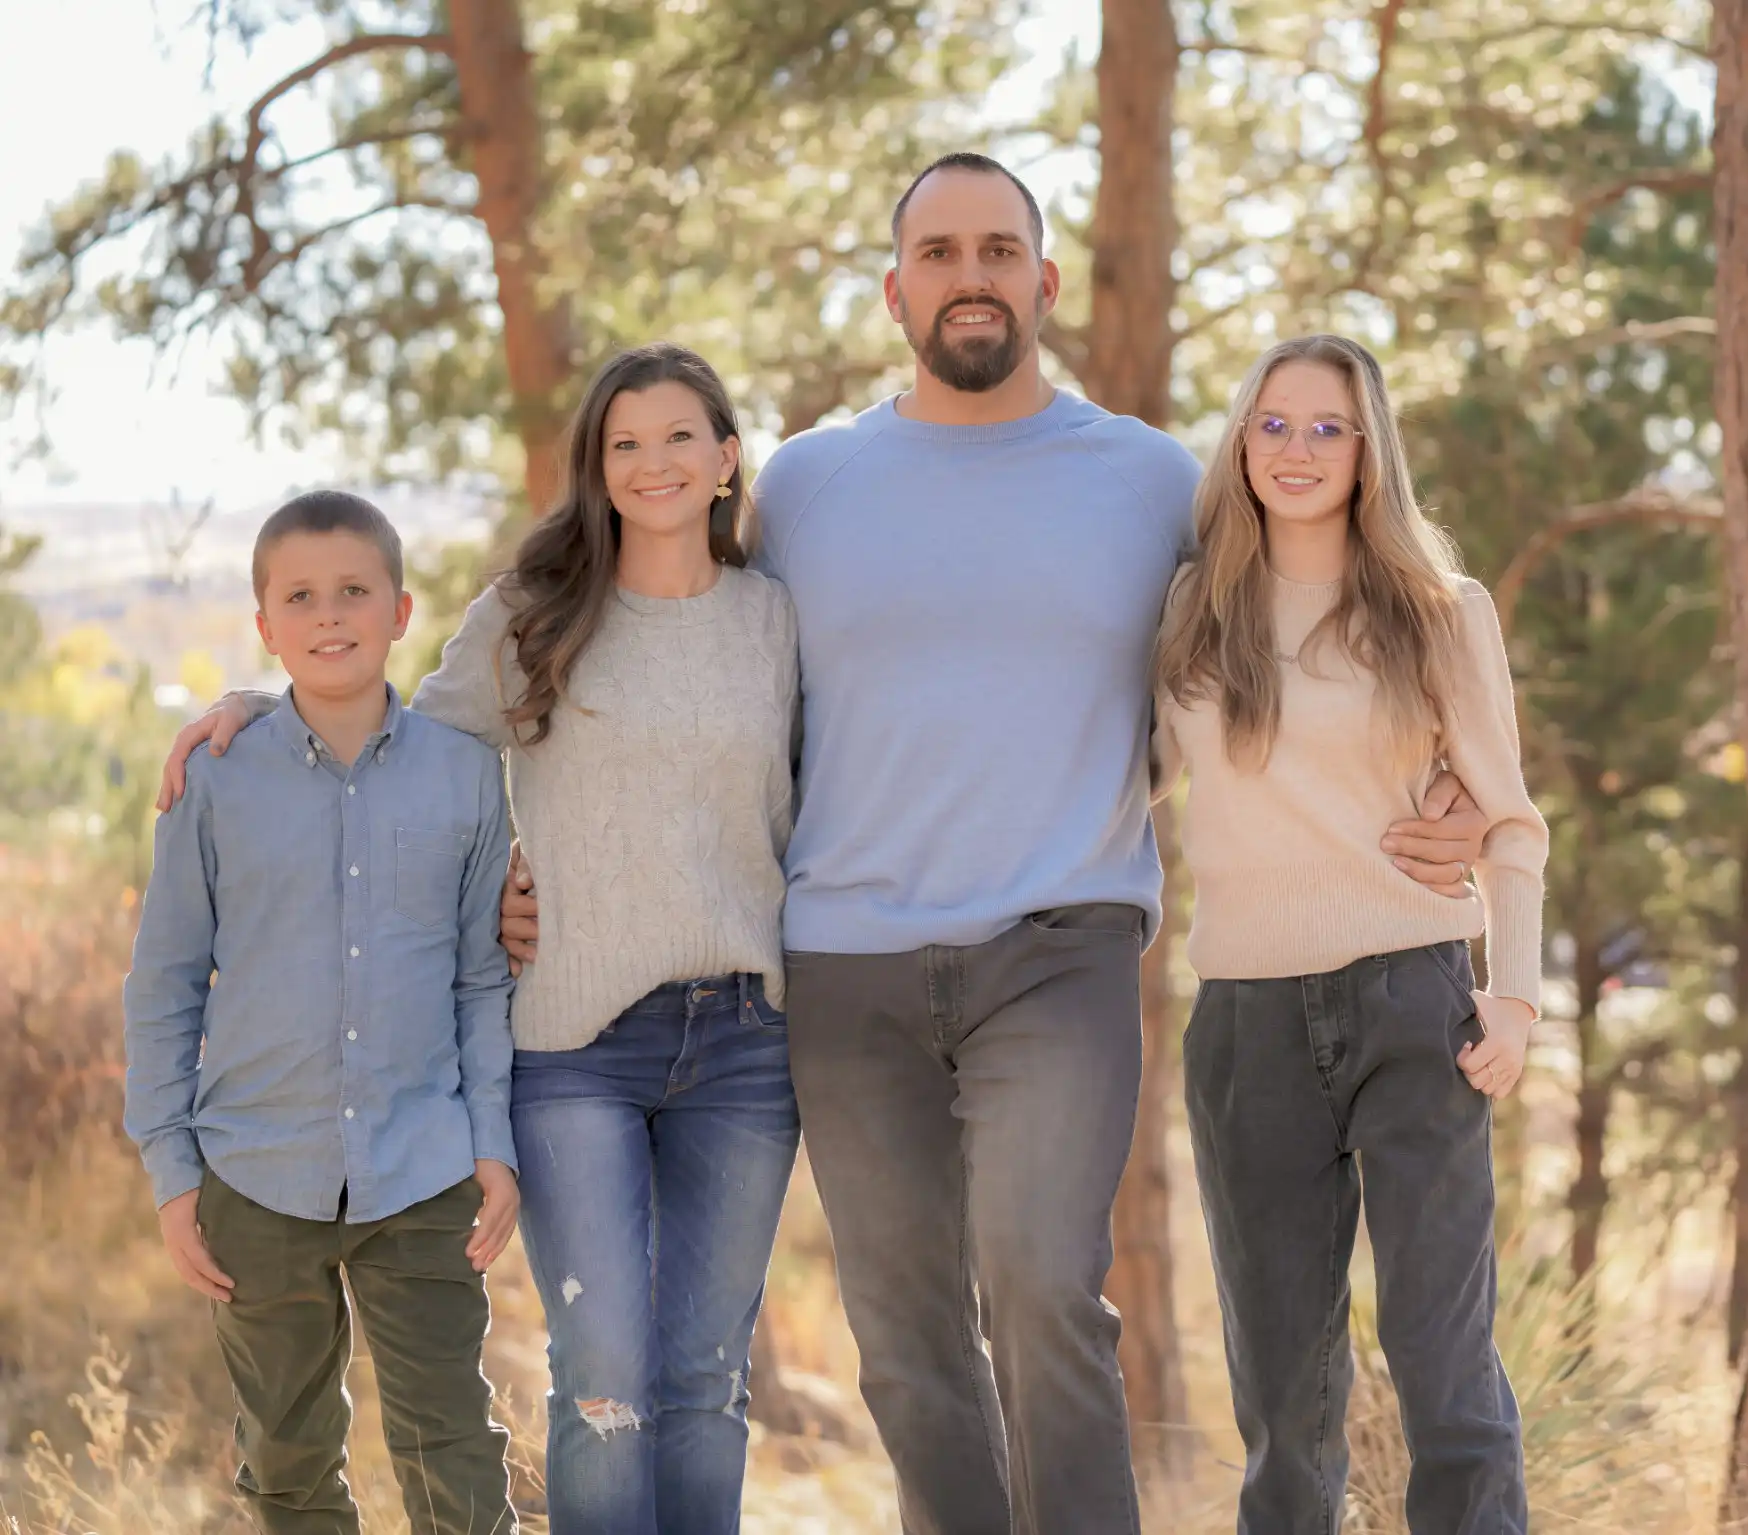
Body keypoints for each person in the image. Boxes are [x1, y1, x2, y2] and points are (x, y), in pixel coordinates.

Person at [489, 153, 1495, 1533]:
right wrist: (338, 741)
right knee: (904, 1334)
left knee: (1038, 1283)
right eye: (943, 253)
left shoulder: (1148, 478)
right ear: (897, 289)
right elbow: (656, 654)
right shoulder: (806, 487)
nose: (974, 274)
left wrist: (1455, 785)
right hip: (845, 959)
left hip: (1059, 944)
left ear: (1045, 279)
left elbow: (1313, 599)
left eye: (999, 249)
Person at [157, 344, 802, 1535]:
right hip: (575, 1035)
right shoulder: (531, 612)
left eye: (679, 437)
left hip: (746, 1043)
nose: (652, 462)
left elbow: (809, 810)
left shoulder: (773, 619)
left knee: (704, 1378)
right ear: (594, 469)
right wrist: (252, 706)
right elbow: (384, 725)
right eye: (624, 442)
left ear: (724, 458)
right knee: (602, 1373)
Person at [1153, 334, 1547, 1533]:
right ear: (1238, 441)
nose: (1297, 449)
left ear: (1368, 448)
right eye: (1271, 423)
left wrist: (1515, 996)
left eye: (1327, 426)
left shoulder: (1438, 610)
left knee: (1443, 1371)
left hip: (1411, 1003)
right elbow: (1125, 785)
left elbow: (1511, 822)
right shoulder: (1188, 611)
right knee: (1282, 1396)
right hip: (1245, 1022)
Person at [125, 491, 521, 1535]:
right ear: (265, 625)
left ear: (399, 608)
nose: (329, 613)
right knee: (289, 1461)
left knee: (454, 1452)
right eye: (300, 595)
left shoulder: (468, 775)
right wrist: (173, 1172)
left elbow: (482, 978)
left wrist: (493, 1142)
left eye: (354, 590)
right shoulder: (215, 779)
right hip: (253, 1173)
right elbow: (165, 985)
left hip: (425, 1168)